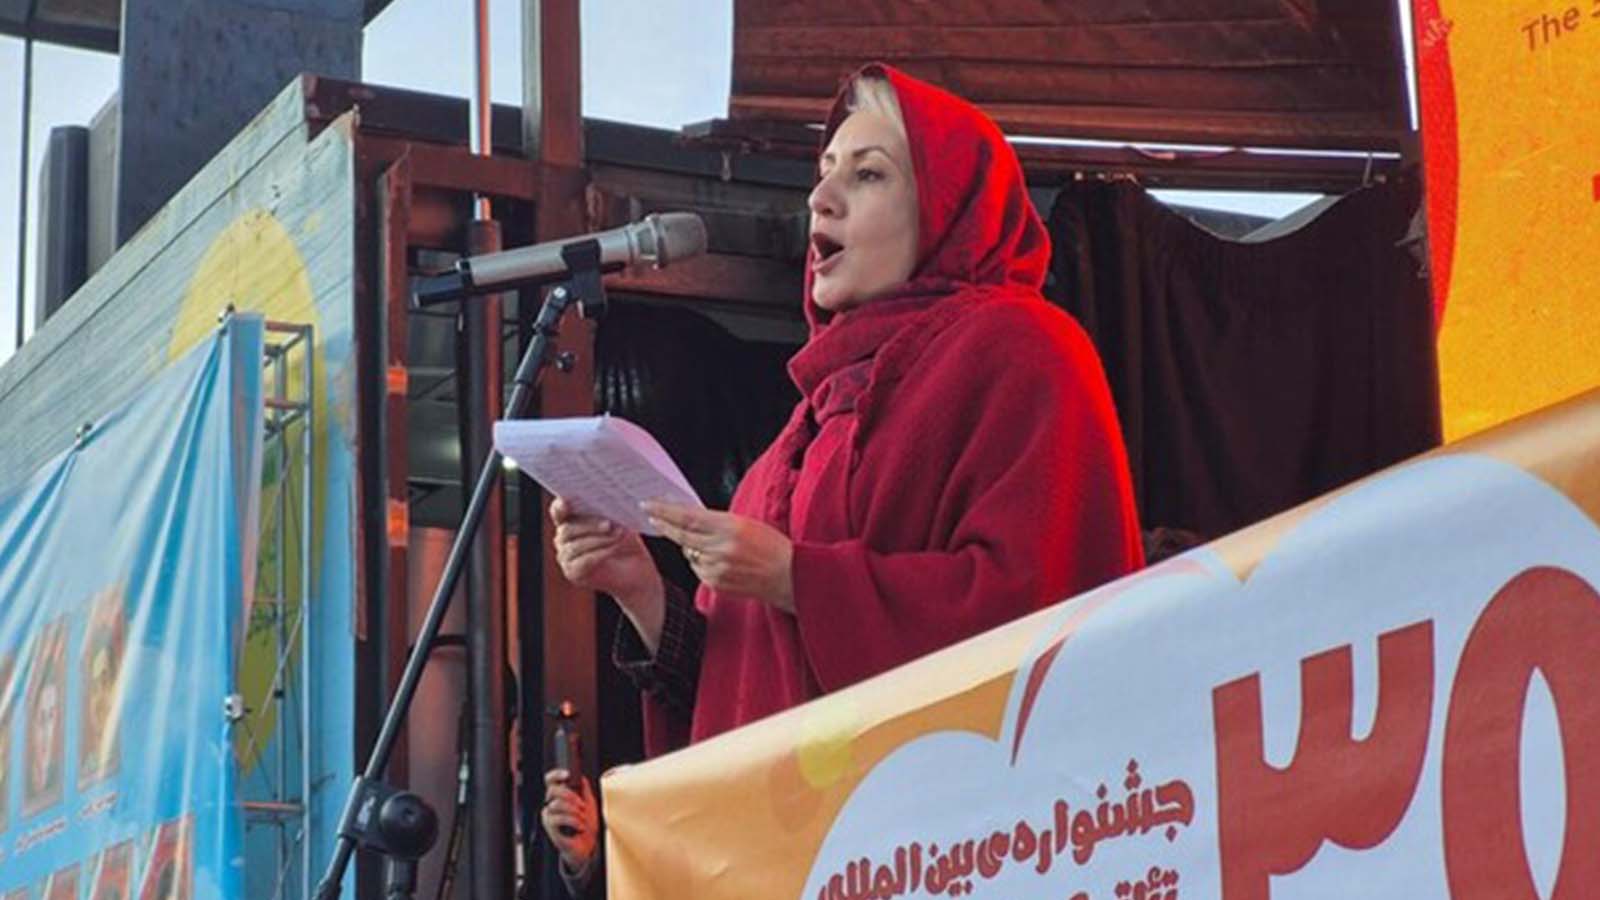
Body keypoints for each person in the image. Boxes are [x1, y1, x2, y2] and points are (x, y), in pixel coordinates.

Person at [541, 62, 1144, 884]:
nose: (821, 199)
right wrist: (640, 589)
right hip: (794, 862)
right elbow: (745, 689)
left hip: (947, 860)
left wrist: (798, 578)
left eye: (868, 175)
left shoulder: (1024, 349)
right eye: (825, 173)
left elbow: (1039, 622)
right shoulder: (805, 427)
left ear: (949, 212)